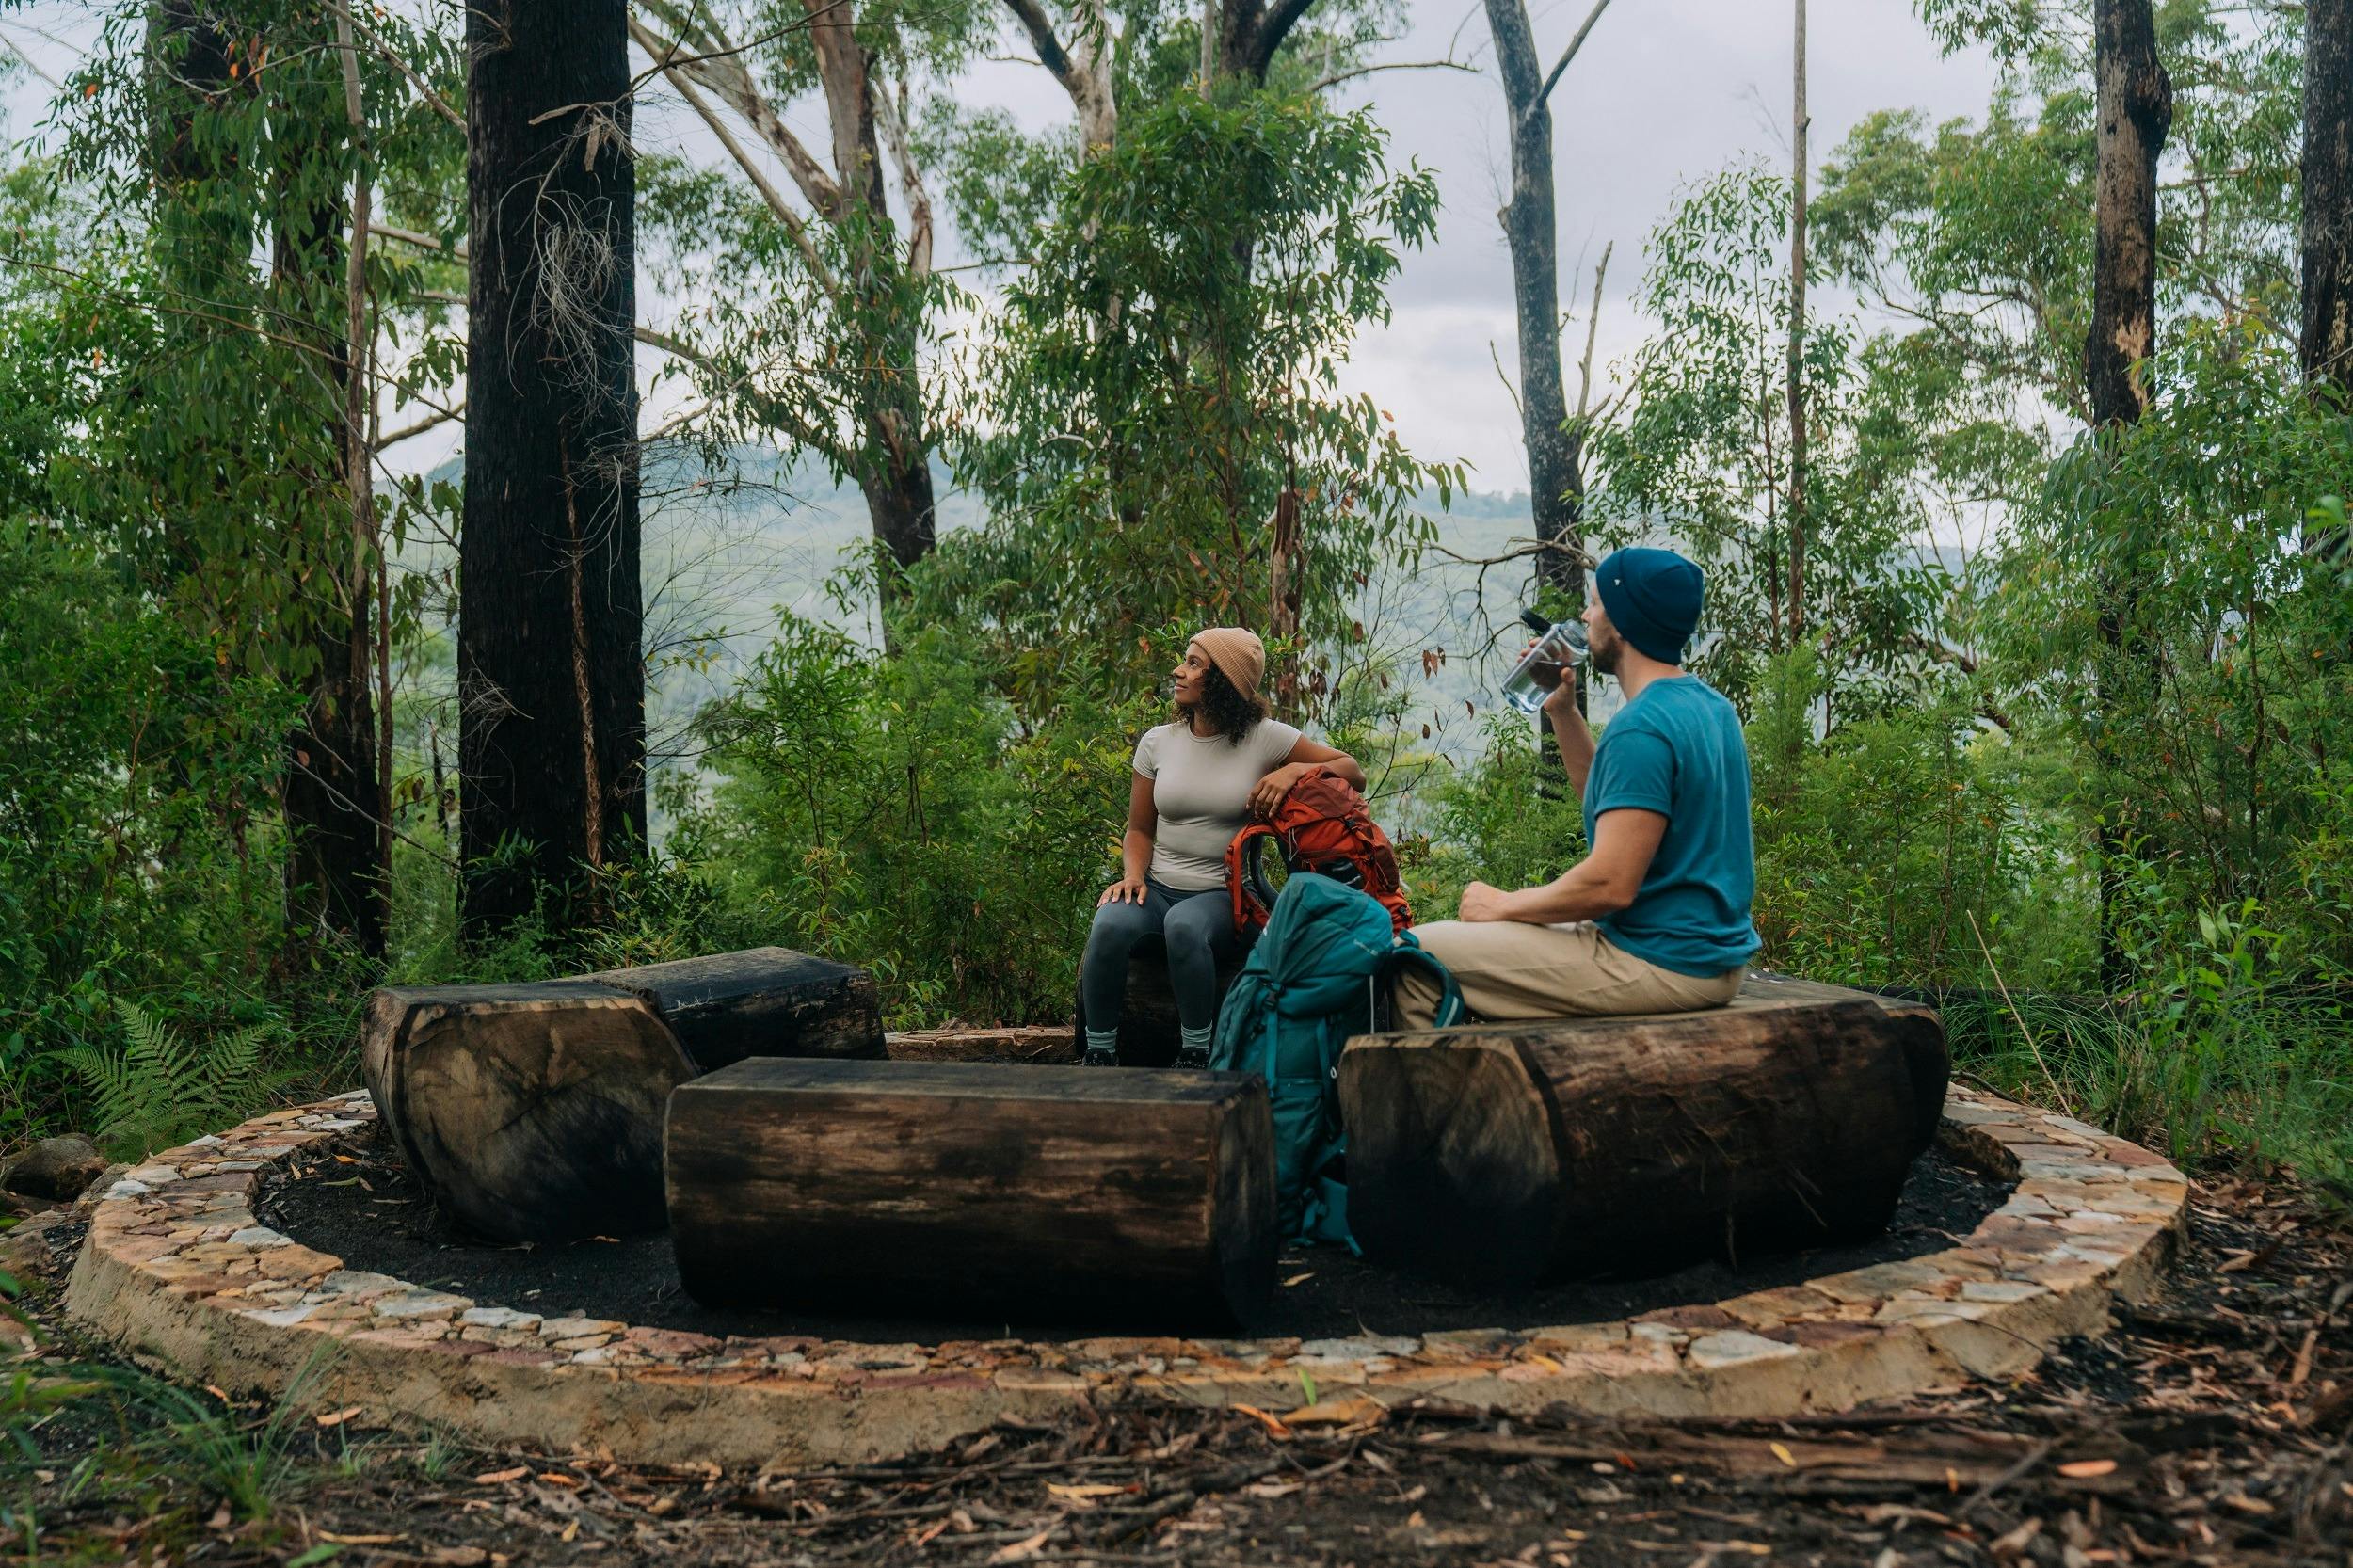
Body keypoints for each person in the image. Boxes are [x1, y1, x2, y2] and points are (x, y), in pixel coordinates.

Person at [1393, 547, 1761, 1028]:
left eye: (1595, 604)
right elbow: (1615, 805)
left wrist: (1503, 904)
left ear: (1624, 621)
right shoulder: (1711, 708)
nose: (1585, 617)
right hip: (1706, 958)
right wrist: (1563, 712)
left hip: (1658, 961)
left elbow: (1611, 884)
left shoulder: (1642, 728)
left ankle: (1453, 1103)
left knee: (1408, 960)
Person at [1081, 628, 1366, 1068]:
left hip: (1222, 895)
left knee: (1184, 926)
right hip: (1157, 888)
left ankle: (1198, 1052)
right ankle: (1099, 1055)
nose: (1179, 670)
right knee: (1109, 924)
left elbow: (1351, 770)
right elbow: (1139, 829)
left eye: (1195, 663)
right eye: (1185, 660)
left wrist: (1290, 773)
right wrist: (1134, 876)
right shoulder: (1158, 742)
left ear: (1223, 682)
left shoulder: (1266, 738)